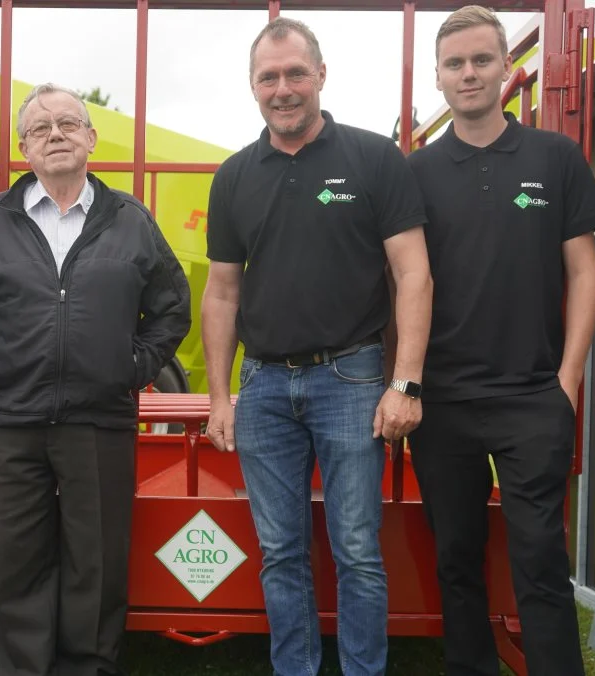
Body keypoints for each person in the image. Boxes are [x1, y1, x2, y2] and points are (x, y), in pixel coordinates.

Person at [202, 17, 434, 676]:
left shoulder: (373, 159)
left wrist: (405, 381)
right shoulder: (234, 177)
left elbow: (412, 272)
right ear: (253, 86)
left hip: (353, 380)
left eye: (295, 73)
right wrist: (222, 397)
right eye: (268, 77)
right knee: (280, 551)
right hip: (265, 389)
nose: (283, 88)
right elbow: (221, 294)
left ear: (321, 75)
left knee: (357, 547)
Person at [0, 82, 192, 676]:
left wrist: (129, 367)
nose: (55, 134)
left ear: (90, 137)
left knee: (98, 563)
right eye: (39, 128)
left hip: (99, 419)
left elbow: (171, 309)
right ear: (23, 149)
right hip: (13, 423)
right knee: (16, 565)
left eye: (67, 123)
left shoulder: (131, 220)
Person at [405, 6, 595, 676]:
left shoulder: (556, 158)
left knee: (540, 561)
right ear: (437, 77)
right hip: (444, 401)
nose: (469, 74)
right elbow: (401, 281)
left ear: (506, 69)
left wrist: (567, 381)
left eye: (481, 60)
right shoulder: (416, 173)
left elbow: (584, 271)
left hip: (532, 396)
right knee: (456, 561)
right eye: (455, 64)